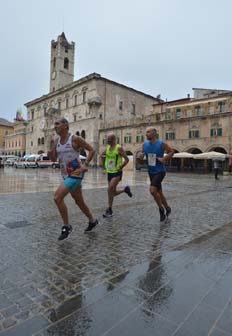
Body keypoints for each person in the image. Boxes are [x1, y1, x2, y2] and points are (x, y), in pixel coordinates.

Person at [48, 118, 98, 240]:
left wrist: (85, 164)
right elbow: (54, 160)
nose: (55, 126)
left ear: (66, 126)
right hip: (65, 174)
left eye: (57, 123)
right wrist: (51, 153)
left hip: (76, 173)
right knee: (79, 201)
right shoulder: (56, 140)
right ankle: (92, 221)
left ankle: (67, 226)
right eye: (54, 124)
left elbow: (92, 150)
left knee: (57, 197)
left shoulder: (75, 139)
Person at [139, 127, 174, 222]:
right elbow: (142, 154)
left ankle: (160, 209)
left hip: (160, 171)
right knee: (159, 192)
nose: (146, 134)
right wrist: (141, 155)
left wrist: (164, 159)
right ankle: (167, 208)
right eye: (146, 132)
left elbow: (171, 152)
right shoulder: (144, 144)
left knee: (152, 190)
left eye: (148, 132)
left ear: (154, 133)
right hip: (151, 172)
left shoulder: (161, 144)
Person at [100, 132, 132, 218]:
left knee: (109, 189)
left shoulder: (119, 148)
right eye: (107, 140)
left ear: (114, 139)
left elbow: (127, 159)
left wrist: (121, 167)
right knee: (112, 192)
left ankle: (109, 209)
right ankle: (125, 190)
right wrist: (104, 168)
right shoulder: (107, 148)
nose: (108, 141)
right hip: (109, 172)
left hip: (117, 172)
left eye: (109, 140)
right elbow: (103, 157)